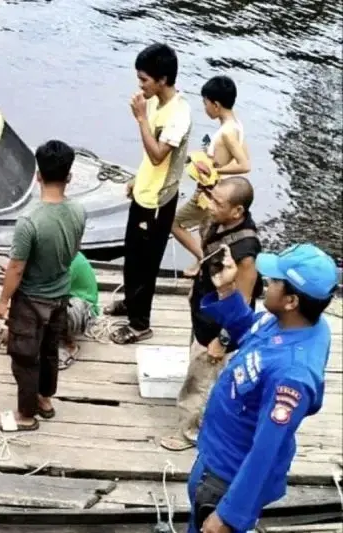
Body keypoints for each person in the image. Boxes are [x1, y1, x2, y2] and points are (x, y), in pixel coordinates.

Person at [187, 243, 336, 533]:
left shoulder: (292, 377)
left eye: (274, 281)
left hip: (227, 478)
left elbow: (266, 451)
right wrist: (228, 291)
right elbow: (250, 332)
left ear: (291, 300)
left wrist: (229, 516)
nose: (266, 283)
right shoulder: (293, 322)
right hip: (216, 453)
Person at [0, 140, 86, 432]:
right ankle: (45, 399)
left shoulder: (29, 222)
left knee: (24, 356)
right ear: (69, 177)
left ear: (37, 175)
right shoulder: (79, 212)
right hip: (60, 296)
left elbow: (16, 267)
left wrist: (3, 300)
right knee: (49, 351)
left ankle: (26, 415)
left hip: (31, 301)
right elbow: (74, 251)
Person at [160, 177, 262, 451]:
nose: (211, 205)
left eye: (217, 202)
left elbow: (243, 302)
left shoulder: (245, 252)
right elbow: (177, 221)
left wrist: (223, 340)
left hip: (219, 330)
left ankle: (190, 433)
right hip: (204, 313)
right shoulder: (220, 220)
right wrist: (197, 197)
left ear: (237, 211)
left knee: (202, 383)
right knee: (199, 373)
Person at [107, 42, 192, 345]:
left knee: (146, 263)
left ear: (163, 80)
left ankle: (140, 324)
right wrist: (136, 178)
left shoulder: (178, 115)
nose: (140, 85)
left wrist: (141, 118)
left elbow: (158, 155)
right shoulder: (154, 101)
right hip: (143, 191)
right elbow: (149, 157)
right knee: (132, 254)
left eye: (144, 79)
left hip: (158, 202)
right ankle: (131, 304)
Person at [174, 75, 252, 277]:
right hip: (217, 192)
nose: (205, 107)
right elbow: (240, 158)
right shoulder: (236, 125)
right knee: (205, 229)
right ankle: (203, 262)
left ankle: (204, 259)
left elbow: (244, 164)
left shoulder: (226, 132)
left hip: (211, 192)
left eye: (205, 102)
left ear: (216, 105)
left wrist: (215, 170)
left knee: (175, 223)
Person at [59, 251, 99, 369]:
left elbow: (49, 293)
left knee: (47, 303)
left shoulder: (69, 260)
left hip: (83, 311)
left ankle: (65, 344)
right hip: (65, 298)